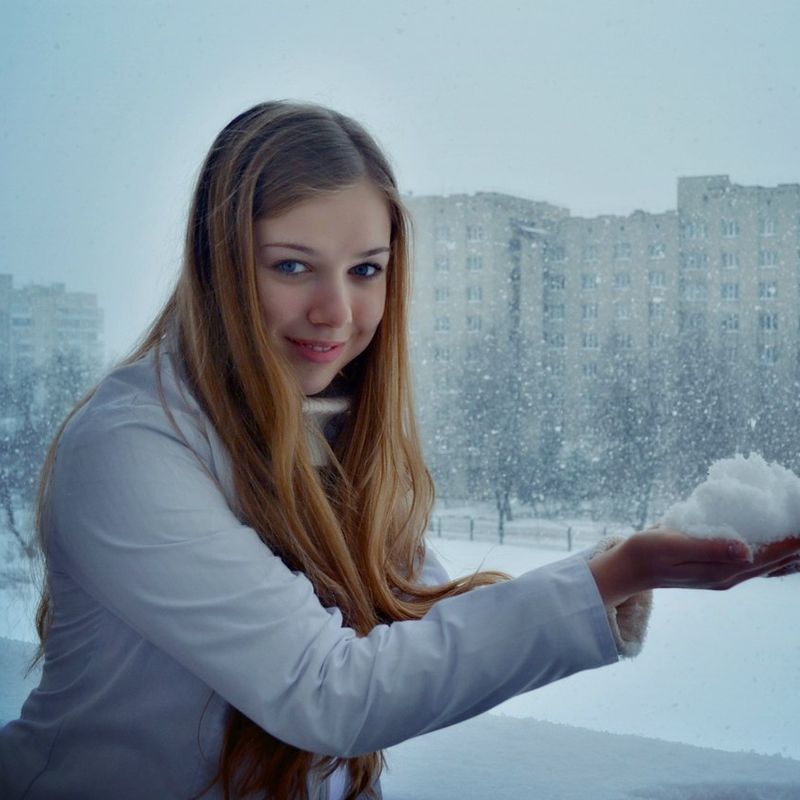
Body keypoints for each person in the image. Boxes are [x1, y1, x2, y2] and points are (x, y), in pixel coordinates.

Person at [1, 101, 798, 800]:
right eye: (291, 266)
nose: (336, 312)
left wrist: (626, 561)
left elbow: (412, 630)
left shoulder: (330, 425)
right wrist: (615, 577)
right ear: (218, 266)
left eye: (366, 270)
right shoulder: (131, 445)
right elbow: (332, 692)